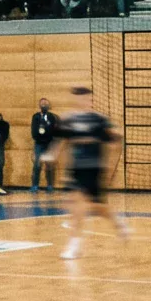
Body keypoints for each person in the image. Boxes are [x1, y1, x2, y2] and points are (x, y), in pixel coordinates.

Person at [45, 84, 127, 259]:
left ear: (90, 100)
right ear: (74, 99)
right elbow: (60, 140)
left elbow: (115, 139)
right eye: (79, 98)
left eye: (87, 98)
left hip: (94, 169)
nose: (83, 101)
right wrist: (52, 155)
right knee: (76, 204)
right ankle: (75, 244)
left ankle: (118, 222)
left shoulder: (98, 119)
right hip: (75, 169)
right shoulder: (68, 119)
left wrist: (111, 163)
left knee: (99, 207)